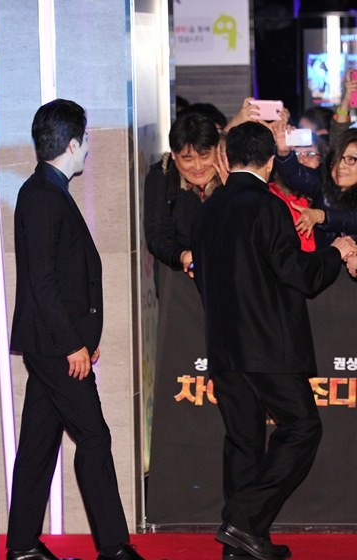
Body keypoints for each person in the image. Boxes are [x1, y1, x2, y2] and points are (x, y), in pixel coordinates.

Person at [6, 99, 173, 560]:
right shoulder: (43, 195)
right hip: (55, 348)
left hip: (54, 344)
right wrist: (71, 344)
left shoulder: (47, 190)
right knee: (95, 438)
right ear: (73, 143)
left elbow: (59, 279)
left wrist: (81, 337)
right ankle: (114, 551)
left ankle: (22, 547)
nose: (89, 148)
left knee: (38, 445)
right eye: (88, 139)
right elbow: (43, 284)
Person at [190, 121, 356, 560]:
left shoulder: (207, 209)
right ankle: (242, 521)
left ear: (228, 159)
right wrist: (336, 252)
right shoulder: (268, 207)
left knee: (243, 440)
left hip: (223, 346)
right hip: (268, 346)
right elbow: (299, 274)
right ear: (268, 162)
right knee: (302, 428)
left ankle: (240, 543)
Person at [144, 112, 225, 525]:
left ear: (218, 151)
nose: (194, 166)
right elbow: (157, 236)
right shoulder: (162, 177)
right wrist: (184, 257)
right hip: (181, 300)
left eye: (203, 156)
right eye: (185, 158)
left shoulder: (234, 175)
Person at [274, 124, 357, 248]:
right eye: (338, 158)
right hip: (327, 259)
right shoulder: (323, 182)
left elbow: (352, 218)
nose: (341, 166)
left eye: (351, 159)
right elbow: (295, 174)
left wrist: (321, 216)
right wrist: (284, 152)